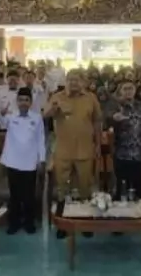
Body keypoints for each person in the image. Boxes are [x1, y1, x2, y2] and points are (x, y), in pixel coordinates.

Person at [45, 68, 101, 239]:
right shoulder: (57, 97)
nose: (73, 82)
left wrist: (98, 144)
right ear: (66, 81)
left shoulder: (91, 98)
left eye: (77, 79)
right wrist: (54, 109)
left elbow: (98, 122)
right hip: (63, 151)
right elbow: (45, 115)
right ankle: (63, 224)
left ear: (83, 82)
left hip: (85, 150)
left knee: (85, 187)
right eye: (70, 79)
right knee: (63, 188)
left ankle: (85, 223)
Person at [0, 87, 46, 235]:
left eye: (26, 100)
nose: (23, 102)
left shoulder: (37, 118)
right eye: (21, 100)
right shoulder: (11, 116)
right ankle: (14, 223)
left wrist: (42, 160)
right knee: (15, 195)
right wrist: (2, 113)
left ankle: (29, 223)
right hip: (13, 161)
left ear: (30, 102)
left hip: (30, 162)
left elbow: (40, 139)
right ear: (17, 102)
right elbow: (1, 122)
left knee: (29, 195)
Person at [107, 80, 141, 201]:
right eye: (125, 89)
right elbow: (106, 121)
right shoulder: (115, 106)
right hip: (122, 154)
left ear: (135, 91)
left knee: (140, 190)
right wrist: (114, 119)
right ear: (120, 91)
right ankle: (123, 217)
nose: (128, 91)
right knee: (122, 189)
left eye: (131, 88)